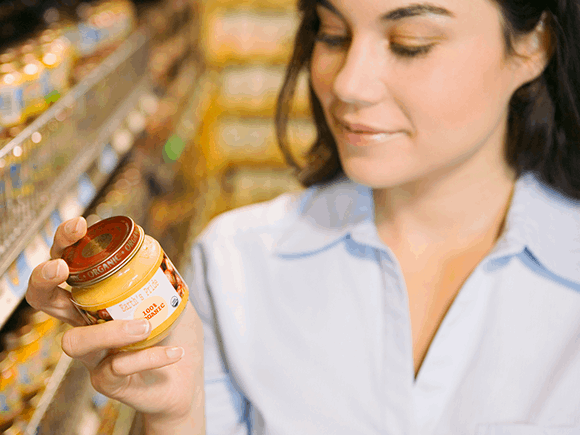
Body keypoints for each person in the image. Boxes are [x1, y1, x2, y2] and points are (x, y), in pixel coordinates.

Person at [26, 0, 580, 433]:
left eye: (411, 44)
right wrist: (176, 415)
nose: (348, 84)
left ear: (533, 45)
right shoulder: (236, 265)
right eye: (332, 34)